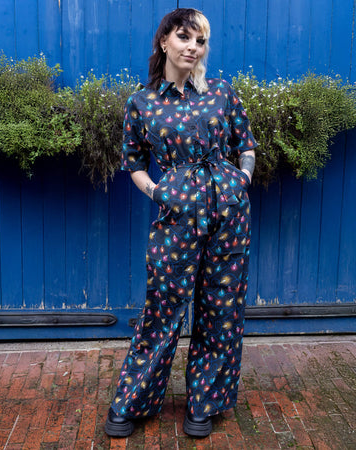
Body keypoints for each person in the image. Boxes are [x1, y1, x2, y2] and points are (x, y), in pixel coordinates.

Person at [105, 8, 257, 439]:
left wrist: (241, 179)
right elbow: (132, 162)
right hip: (176, 217)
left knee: (221, 309)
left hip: (229, 213)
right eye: (185, 38)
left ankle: (204, 403)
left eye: (201, 41)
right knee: (163, 307)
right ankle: (131, 400)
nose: (193, 47)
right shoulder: (142, 102)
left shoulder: (222, 93)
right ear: (164, 42)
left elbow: (245, 143)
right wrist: (157, 191)